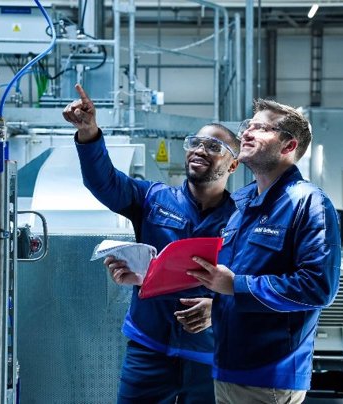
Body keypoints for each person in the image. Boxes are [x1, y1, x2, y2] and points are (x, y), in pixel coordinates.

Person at [63, 84, 240, 403]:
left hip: (212, 357)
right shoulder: (153, 198)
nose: (200, 150)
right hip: (148, 351)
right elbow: (104, 182)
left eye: (213, 146)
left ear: (233, 165)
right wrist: (89, 133)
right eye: (195, 142)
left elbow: (252, 284)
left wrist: (221, 309)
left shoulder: (242, 220)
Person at [188, 99, 341, 404]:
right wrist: (216, 303)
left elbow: (318, 287)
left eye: (261, 128)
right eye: (248, 125)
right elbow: (233, 275)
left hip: (270, 373)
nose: (246, 133)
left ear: (288, 146)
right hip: (227, 364)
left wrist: (236, 286)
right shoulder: (242, 203)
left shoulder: (309, 204)